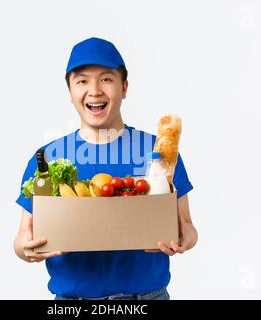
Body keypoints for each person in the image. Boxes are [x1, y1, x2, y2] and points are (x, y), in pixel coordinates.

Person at [13, 37, 198, 300]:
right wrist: (26, 249)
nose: (95, 90)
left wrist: (182, 240)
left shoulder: (159, 152)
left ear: (124, 87)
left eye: (106, 79)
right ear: (70, 91)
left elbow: (189, 227)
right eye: (82, 80)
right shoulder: (47, 159)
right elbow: (21, 238)